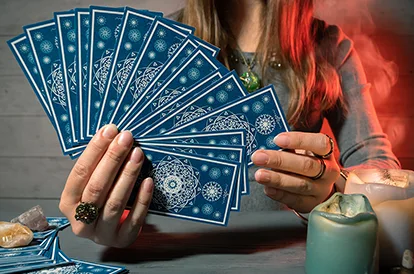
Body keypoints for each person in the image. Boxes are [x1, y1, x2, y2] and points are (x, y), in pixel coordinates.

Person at [59, 0, 400, 247]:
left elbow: (382, 166)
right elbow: (113, 173)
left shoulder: (328, 45)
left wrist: (335, 189)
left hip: (287, 253)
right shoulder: (158, 42)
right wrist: (102, 211)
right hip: (169, 251)